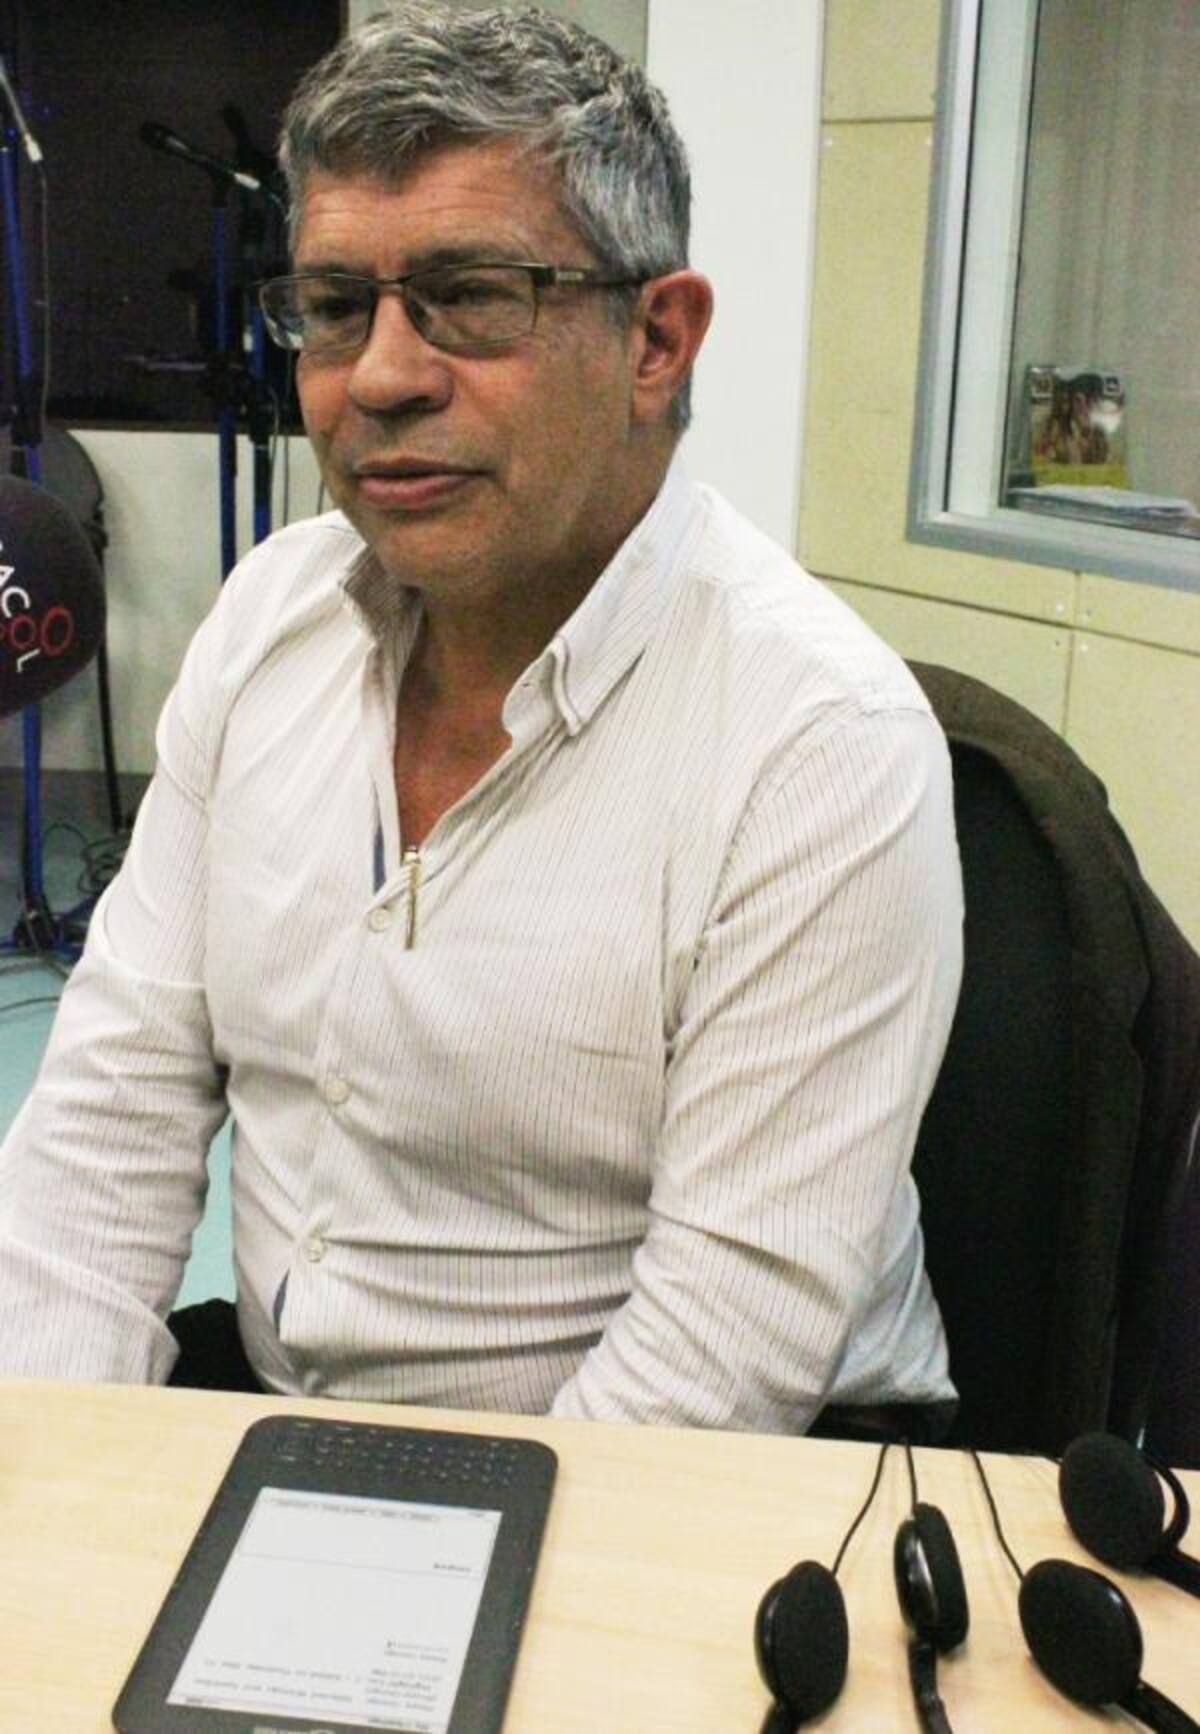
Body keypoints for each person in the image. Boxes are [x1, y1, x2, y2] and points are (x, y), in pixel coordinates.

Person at [0, 2, 963, 1437]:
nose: (381, 377)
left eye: (470, 295)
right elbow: (107, 1125)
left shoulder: (818, 741)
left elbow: (716, 1364)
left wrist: (393, 1558)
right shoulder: (269, 620)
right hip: (296, 1412)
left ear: (657, 341)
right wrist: (55, 1483)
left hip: (718, 1473)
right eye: (337, 306)